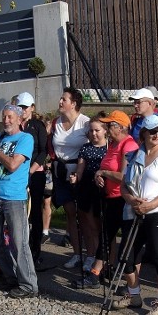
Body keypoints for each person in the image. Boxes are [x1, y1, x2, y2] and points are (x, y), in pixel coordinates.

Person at [111, 115, 158, 315]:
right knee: (127, 256)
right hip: (134, 211)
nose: (157, 135)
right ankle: (133, 295)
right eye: (153, 132)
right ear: (143, 133)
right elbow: (125, 184)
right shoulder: (134, 155)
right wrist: (132, 200)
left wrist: (150, 205)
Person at [0, 104, 38, 298]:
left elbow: (14, 165)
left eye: (9, 117)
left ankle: (29, 285)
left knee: (19, 242)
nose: (5, 120)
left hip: (14, 198)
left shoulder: (25, 138)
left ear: (18, 119)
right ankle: (11, 277)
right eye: (4, 117)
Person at [93, 110, 138, 285]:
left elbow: (124, 176)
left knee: (113, 237)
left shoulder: (128, 145)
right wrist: (99, 175)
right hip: (109, 197)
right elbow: (106, 169)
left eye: (110, 125)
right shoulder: (112, 145)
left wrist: (103, 172)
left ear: (120, 128)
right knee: (106, 235)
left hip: (122, 198)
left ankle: (96, 273)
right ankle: (104, 270)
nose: (107, 128)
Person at [49, 87, 90, 269]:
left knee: (84, 214)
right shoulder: (56, 122)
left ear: (73, 104)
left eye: (63, 99)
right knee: (70, 213)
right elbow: (51, 146)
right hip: (61, 172)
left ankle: (91, 254)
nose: (60, 102)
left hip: (80, 173)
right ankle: (76, 253)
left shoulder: (85, 123)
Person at [69, 114, 108, 286]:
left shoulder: (109, 147)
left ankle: (105, 260)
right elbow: (80, 167)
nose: (94, 134)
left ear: (105, 131)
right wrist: (75, 177)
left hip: (103, 189)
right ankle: (91, 255)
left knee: (103, 227)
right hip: (86, 187)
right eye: (91, 130)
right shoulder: (85, 148)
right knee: (89, 224)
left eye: (97, 130)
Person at [15, 92, 49, 264]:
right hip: (18, 174)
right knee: (18, 211)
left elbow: (44, 150)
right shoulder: (15, 125)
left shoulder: (37, 125)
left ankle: (35, 250)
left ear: (32, 108)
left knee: (35, 211)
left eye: (25, 107)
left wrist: (32, 170)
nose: (22, 110)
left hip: (35, 173)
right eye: (19, 107)